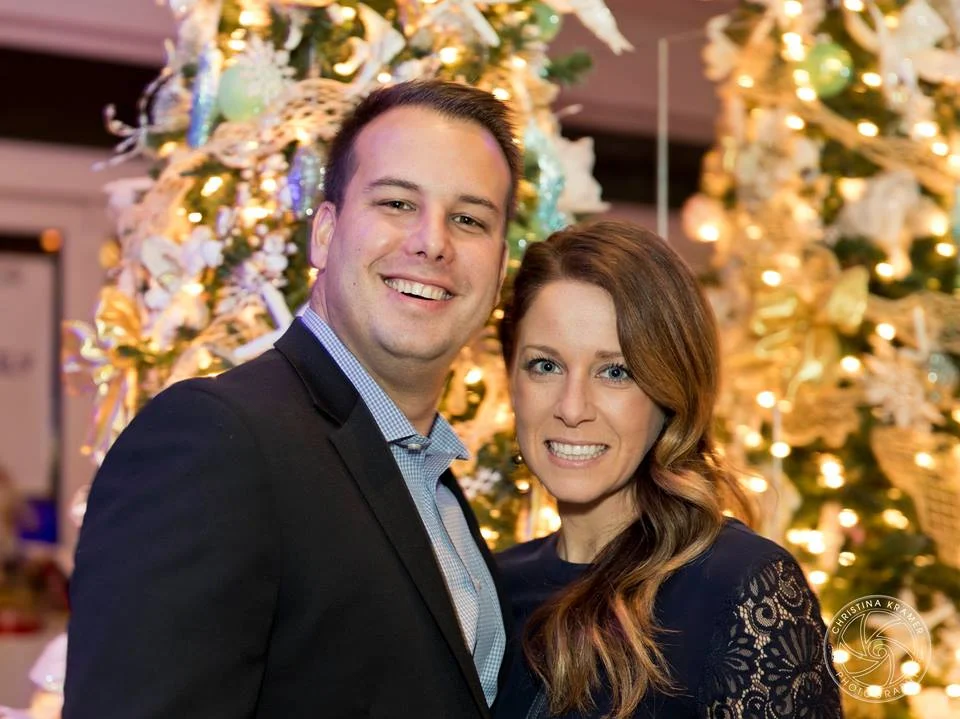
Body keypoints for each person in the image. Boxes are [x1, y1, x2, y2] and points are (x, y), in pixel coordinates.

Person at [64, 80, 522, 719]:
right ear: (325, 233)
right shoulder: (213, 443)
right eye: (396, 203)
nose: (432, 242)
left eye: (469, 219)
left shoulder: (436, 488)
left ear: (498, 268)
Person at [494, 221, 843, 718]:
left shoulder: (742, 587)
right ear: (511, 379)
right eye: (545, 366)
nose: (572, 408)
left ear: (671, 393)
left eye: (615, 372)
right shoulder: (487, 588)